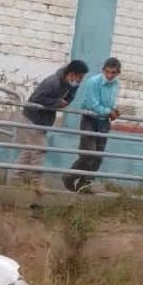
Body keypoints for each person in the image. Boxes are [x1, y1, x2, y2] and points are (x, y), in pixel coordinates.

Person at [15, 60, 88, 189]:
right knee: (41, 148)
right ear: (71, 74)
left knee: (30, 150)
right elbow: (37, 99)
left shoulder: (72, 85)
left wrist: (64, 101)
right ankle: (37, 183)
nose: (80, 81)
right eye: (80, 77)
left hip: (43, 120)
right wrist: (58, 103)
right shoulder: (52, 82)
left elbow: (69, 98)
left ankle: (16, 178)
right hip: (32, 118)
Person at [62, 57, 122, 194]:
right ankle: (69, 176)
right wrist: (109, 111)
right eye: (107, 72)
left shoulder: (115, 84)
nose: (110, 75)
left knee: (98, 157)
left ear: (118, 73)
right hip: (90, 119)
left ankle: (85, 185)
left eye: (113, 73)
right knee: (89, 153)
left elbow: (109, 102)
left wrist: (114, 109)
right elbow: (92, 104)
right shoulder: (93, 82)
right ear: (103, 70)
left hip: (104, 121)